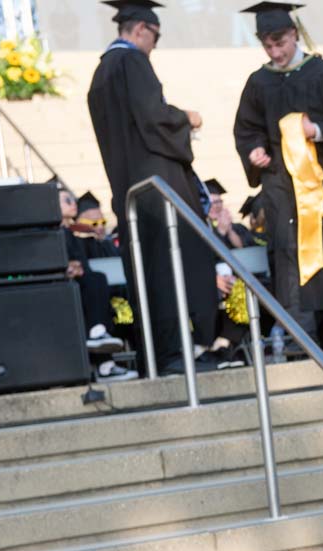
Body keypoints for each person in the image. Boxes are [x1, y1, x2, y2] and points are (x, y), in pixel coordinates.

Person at [233, 2, 323, 357]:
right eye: (268, 45)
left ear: (294, 34)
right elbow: (247, 131)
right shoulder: (258, 82)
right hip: (280, 187)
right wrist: (255, 152)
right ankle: (301, 342)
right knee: (290, 259)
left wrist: (319, 130)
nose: (275, 52)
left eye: (280, 42)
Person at [87, 0, 218, 375]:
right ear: (141, 29)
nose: (154, 45)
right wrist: (186, 119)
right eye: (155, 38)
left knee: (150, 272)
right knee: (175, 264)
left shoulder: (101, 73)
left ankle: (157, 357)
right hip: (159, 189)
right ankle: (182, 352)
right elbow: (155, 118)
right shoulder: (132, 62)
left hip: (129, 191)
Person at [58, 187, 133, 381]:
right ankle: (99, 339)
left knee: (97, 279)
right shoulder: (53, 233)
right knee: (96, 280)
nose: (72, 203)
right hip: (64, 292)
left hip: (91, 292)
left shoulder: (70, 234)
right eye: (67, 200)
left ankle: (106, 362)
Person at [205, 178, 247, 250]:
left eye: (218, 201)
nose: (215, 206)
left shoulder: (238, 227)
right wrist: (222, 231)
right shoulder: (201, 228)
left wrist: (229, 230)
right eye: (210, 203)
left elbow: (245, 249)